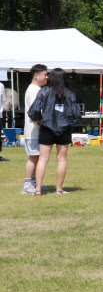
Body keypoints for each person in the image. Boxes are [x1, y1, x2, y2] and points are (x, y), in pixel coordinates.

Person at [28, 67, 81, 195]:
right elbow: (76, 112)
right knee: (62, 160)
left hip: (47, 128)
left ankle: (38, 189)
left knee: (42, 159)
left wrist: (39, 119)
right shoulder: (70, 93)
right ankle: (59, 189)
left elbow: (34, 110)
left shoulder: (44, 91)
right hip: (64, 129)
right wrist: (72, 120)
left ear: (51, 78)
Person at [21, 64, 49, 193]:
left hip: (36, 130)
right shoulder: (33, 90)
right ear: (36, 76)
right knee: (33, 156)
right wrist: (44, 125)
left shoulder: (35, 89)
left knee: (37, 157)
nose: (47, 77)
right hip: (33, 131)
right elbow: (35, 113)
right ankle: (27, 185)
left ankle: (34, 183)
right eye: (45, 75)